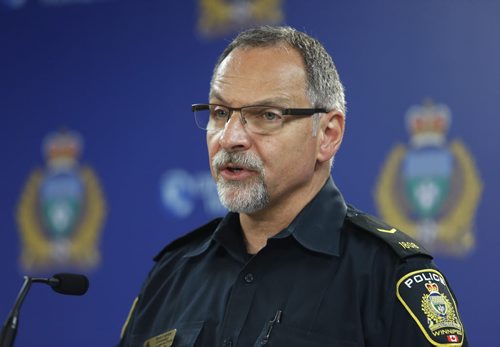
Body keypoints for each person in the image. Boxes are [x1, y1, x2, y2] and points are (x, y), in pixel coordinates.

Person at [119, 26, 468, 346]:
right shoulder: (171, 273)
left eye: (267, 115)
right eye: (220, 113)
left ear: (327, 135)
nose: (230, 137)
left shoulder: (389, 278)